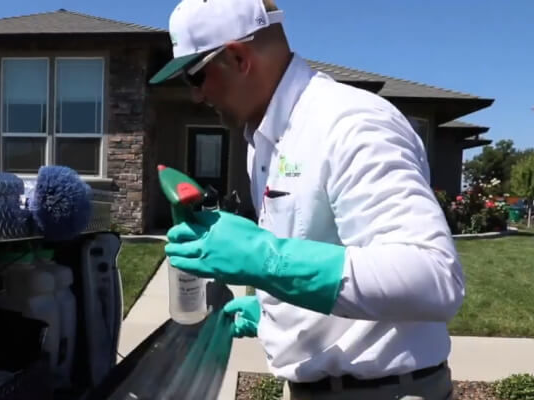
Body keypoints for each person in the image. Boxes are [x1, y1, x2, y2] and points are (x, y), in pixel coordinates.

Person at [149, 0, 466, 399]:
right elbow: (322, 243)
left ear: (237, 57)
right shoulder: (263, 141)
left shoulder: (351, 124)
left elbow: (433, 277)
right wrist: (276, 318)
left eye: (195, 77)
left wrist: (264, 259)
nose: (196, 96)